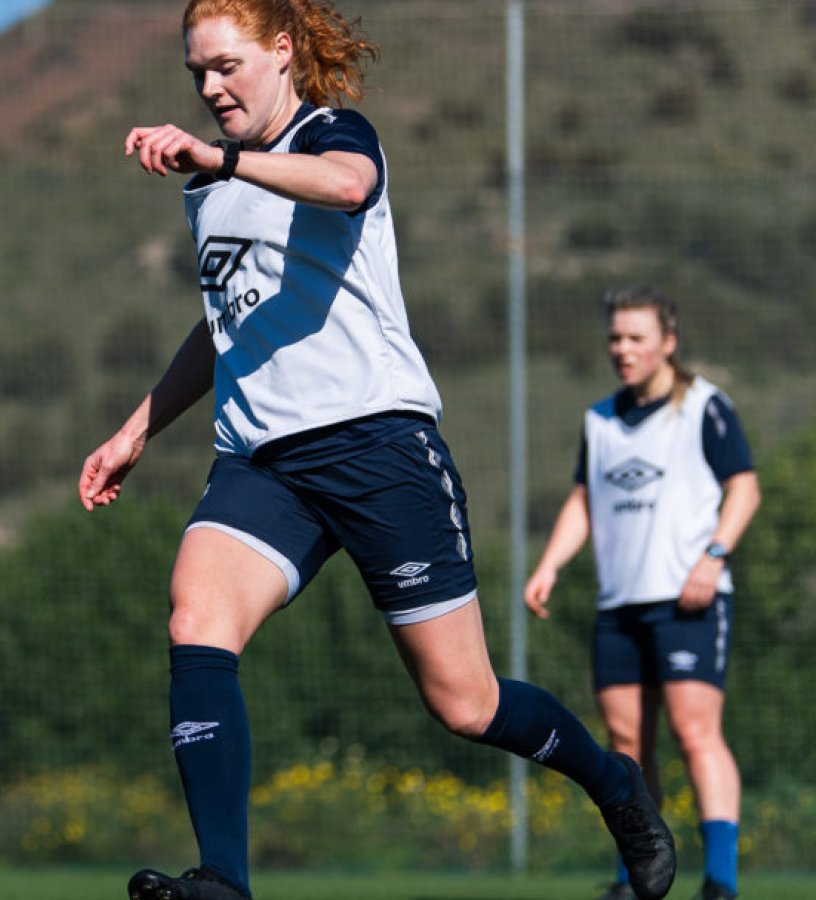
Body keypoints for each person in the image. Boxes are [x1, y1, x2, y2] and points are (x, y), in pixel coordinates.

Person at [76, 2, 677, 898]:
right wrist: (135, 430)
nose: (210, 88)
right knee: (196, 619)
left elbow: (348, 186)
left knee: (465, 705)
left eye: (228, 65)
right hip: (262, 462)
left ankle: (615, 786)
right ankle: (224, 882)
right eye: (196, 73)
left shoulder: (335, 133)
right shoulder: (210, 184)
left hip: (377, 447)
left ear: (281, 53)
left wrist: (220, 157)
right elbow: (224, 321)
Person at [524, 287, 758, 900]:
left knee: (694, 731)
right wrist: (549, 564)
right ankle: (637, 879)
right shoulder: (599, 419)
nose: (622, 349)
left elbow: (745, 488)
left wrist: (713, 557)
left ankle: (721, 882)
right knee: (626, 744)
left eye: (636, 338)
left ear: (667, 343)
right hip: (618, 606)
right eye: (615, 338)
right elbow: (584, 500)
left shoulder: (704, 407)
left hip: (689, 602)